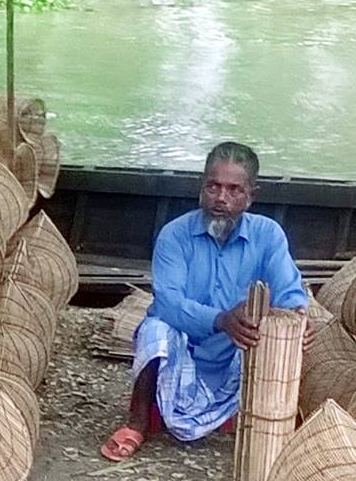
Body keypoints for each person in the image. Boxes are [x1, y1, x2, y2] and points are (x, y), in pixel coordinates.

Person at [101, 143, 308, 462]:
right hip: (185, 348)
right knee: (154, 328)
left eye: (234, 189)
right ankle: (137, 422)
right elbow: (168, 302)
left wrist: (298, 318)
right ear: (202, 187)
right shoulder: (175, 235)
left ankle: (265, 418)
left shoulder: (268, 235)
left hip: (236, 349)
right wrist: (220, 319)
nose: (221, 198)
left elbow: (289, 291)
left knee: (281, 333)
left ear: (251, 194)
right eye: (213, 186)